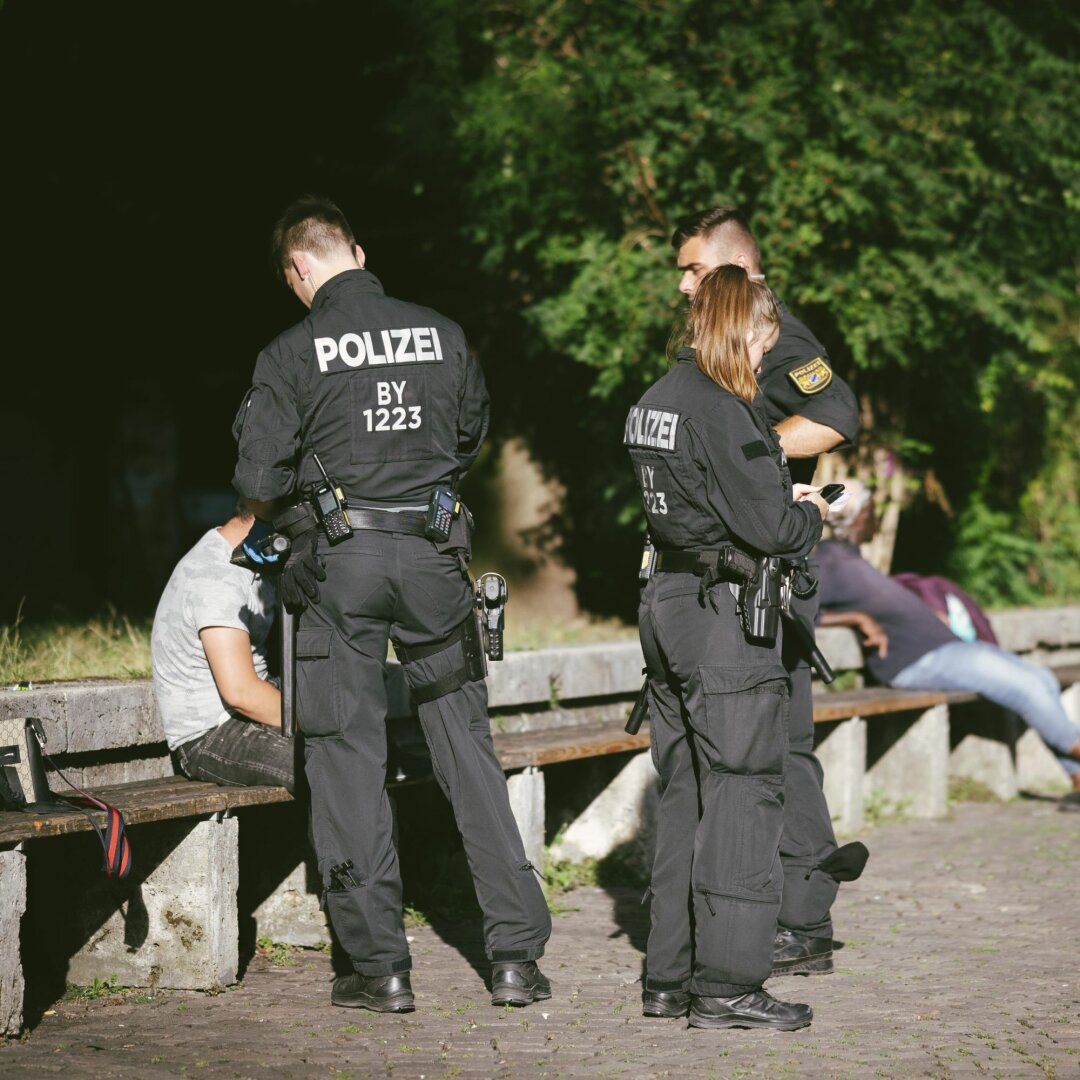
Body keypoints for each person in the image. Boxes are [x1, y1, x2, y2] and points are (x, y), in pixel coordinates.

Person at [231, 195, 551, 1013]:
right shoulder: (442, 333)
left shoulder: (291, 349)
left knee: (347, 762)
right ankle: (515, 957)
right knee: (467, 752)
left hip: (341, 572)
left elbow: (259, 482)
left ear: (299, 270)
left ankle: (380, 967)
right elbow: (468, 436)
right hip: (436, 562)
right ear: (358, 254)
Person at [628, 263, 830, 1030]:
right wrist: (811, 514)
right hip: (722, 619)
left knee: (684, 793)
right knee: (744, 791)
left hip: (666, 604)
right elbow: (772, 528)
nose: (765, 358)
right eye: (765, 341)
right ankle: (728, 982)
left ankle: (667, 973)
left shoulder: (652, 402)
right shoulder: (723, 410)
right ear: (742, 328)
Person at [671, 207, 862, 978]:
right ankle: (783, 904)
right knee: (760, 740)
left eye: (691, 269)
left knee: (780, 741)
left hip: (775, 564)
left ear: (738, 272)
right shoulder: (721, 330)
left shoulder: (783, 334)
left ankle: (805, 918)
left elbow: (838, 415)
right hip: (736, 563)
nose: (682, 283)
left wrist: (745, 450)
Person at [815, 480, 1080, 808]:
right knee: (1029, 687)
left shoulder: (850, 558)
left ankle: (1078, 780)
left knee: (1042, 679)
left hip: (945, 652)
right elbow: (798, 609)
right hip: (916, 662)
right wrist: (855, 618)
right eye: (871, 512)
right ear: (857, 517)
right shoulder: (829, 561)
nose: (877, 520)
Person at [151, 502, 296, 794]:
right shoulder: (216, 576)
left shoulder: (254, 561)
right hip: (209, 733)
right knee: (329, 765)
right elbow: (241, 693)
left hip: (248, 706)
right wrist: (322, 723)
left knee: (355, 750)